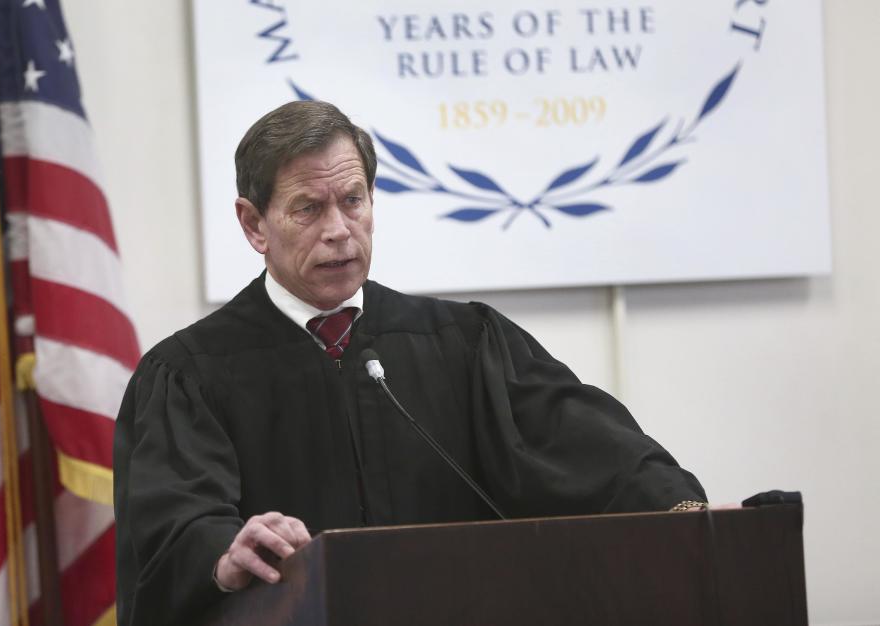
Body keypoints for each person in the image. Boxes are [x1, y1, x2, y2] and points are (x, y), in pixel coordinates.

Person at [113, 100, 707, 626]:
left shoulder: (462, 342)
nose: (339, 231)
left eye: (353, 201)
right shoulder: (190, 374)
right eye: (307, 209)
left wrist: (688, 513)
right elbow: (173, 528)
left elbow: (583, 444)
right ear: (253, 224)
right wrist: (225, 553)